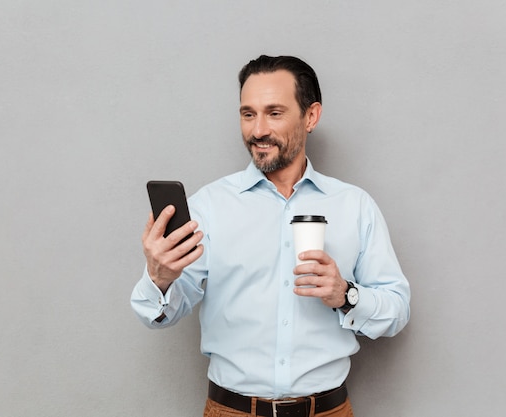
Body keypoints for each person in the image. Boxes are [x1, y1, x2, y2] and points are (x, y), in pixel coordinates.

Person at [131, 55, 410, 417]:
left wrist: (346, 294)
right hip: (231, 411)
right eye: (248, 114)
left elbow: (397, 308)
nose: (258, 129)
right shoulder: (209, 207)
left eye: (274, 113)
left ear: (311, 116)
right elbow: (157, 314)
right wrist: (161, 278)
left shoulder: (354, 206)